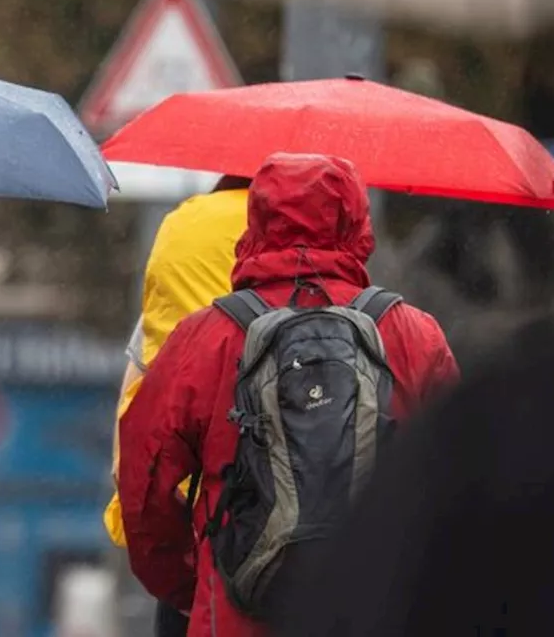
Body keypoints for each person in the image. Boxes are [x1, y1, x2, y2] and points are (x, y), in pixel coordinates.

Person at [116, 153, 460, 637]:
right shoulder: (412, 336)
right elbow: (458, 481)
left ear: (254, 222)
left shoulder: (207, 337)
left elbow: (142, 480)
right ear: (358, 223)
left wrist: (189, 583)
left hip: (235, 616)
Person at [273, 316, 554, 636]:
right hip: (410, 571)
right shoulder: (415, 330)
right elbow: (462, 449)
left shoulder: (217, 330)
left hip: (247, 583)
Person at [103, 175, 251, 637]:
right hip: (311, 565)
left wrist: (173, 578)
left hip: (199, 546)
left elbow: (134, 443)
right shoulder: (356, 309)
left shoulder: (182, 231)